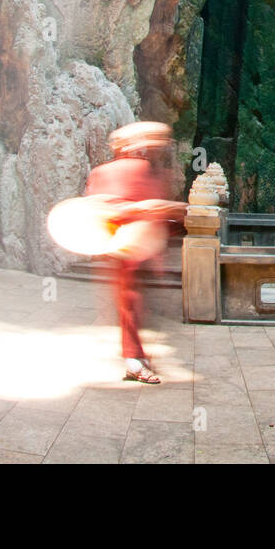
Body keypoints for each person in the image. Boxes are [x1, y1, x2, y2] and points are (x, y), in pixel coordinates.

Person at [85, 121, 184, 384]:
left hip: (132, 246)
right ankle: (133, 360)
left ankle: (135, 356)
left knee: (133, 304)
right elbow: (108, 207)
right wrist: (154, 209)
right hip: (126, 245)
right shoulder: (127, 170)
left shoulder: (115, 171)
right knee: (130, 303)